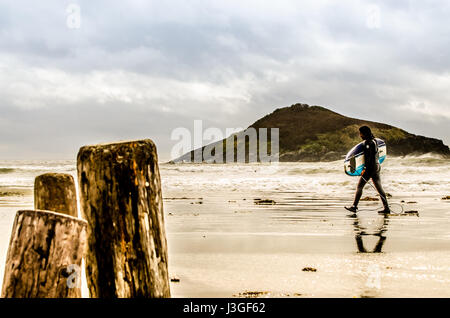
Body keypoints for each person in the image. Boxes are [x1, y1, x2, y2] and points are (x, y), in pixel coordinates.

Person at [345, 126, 390, 214]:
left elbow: (369, 158)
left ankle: (354, 206)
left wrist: (365, 169)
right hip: (377, 166)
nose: (360, 135)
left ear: (364, 133)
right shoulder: (375, 141)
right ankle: (386, 208)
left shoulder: (368, 143)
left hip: (371, 167)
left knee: (360, 187)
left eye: (361, 133)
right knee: (379, 188)